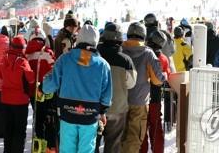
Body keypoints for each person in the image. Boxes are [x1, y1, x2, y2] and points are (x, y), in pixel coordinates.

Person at [42, 24, 112, 153]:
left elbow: (49, 86)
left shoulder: (64, 59)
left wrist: (43, 86)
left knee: (67, 148)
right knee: (86, 149)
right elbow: (106, 94)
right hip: (90, 114)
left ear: (78, 39)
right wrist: (103, 111)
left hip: (67, 112)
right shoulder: (103, 65)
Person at [121, 22, 165, 153]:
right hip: (139, 103)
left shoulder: (120, 50)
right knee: (134, 139)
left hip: (119, 101)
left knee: (119, 138)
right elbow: (157, 80)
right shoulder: (147, 53)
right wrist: (163, 77)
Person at [95, 23, 137, 153]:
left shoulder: (94, 57)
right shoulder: (126, 60)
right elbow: (131, 83)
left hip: (95, 107)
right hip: (117, 108)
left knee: (92, 143)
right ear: (119, 39)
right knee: (113, 144)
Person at [0, 35, 35, 153]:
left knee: (8, 129)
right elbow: (31, 79)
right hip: (20, 101)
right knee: (19, 131)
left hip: (5, 100)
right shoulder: (23, 61)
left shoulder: (4, 58)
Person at [141, 30, 171, 153]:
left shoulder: (142, 53)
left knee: (141, 127)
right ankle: (157, 150)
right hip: (155, 97)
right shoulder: (163, 58)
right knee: (156, 126)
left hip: (141, 97)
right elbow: (167, 74)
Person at [26, 37, 57, 153]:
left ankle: (38, 147)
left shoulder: (28, 54)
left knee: (37, 118)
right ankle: (49, 147)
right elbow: (55, 71)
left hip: (33, 91)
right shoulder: (48, 53)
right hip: (47, 91)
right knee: (48, 119)